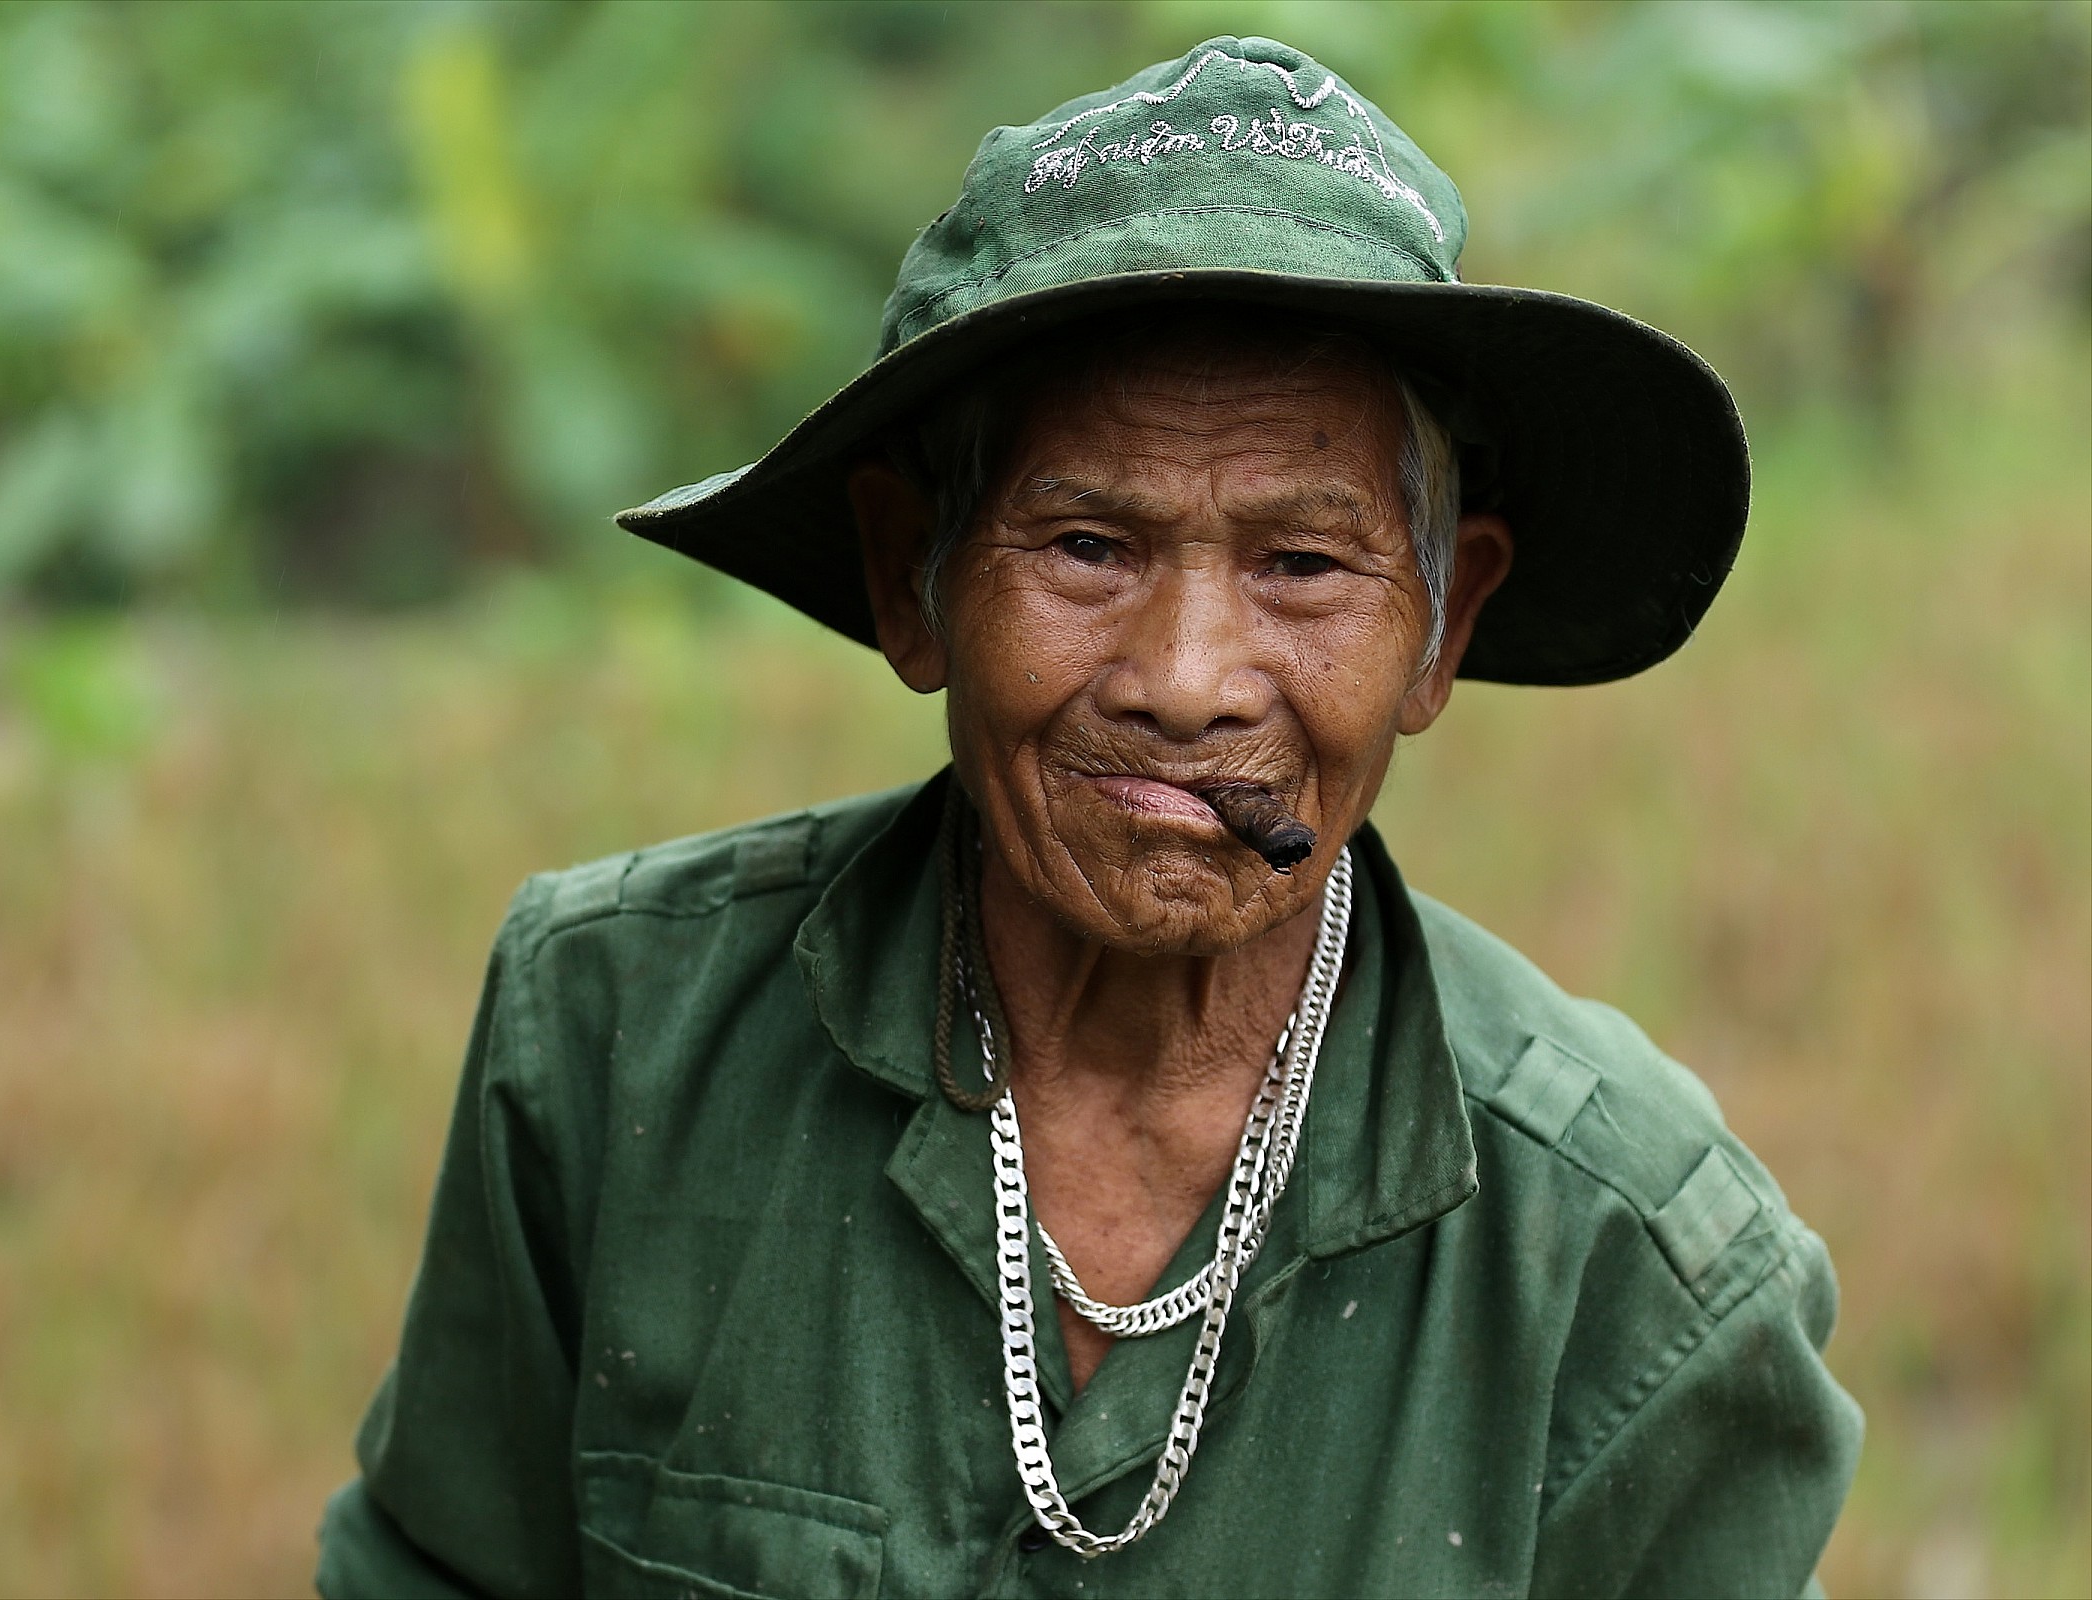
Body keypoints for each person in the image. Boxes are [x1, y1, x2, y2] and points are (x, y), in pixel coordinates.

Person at [317, 36, 1860, 1599]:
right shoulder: (613, 1035)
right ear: (908, 577)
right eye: (1086, 544)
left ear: (1446, 626)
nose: (1188, 685)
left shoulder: (1634, 1269)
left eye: (1304, 568)